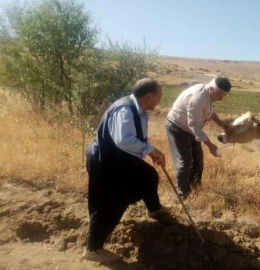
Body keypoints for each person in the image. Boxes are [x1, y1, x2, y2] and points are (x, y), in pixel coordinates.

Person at [83, 78, 169, 262]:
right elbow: (123, 140)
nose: (159, 101)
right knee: (110, 204)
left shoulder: (139, 110)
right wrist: (151, 150)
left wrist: (150, 151)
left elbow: (135, 139)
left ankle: (154, 210)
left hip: (119, 159)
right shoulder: (125, 110)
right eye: (159, 97)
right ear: (149, 96)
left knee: (148, 175)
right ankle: (93, 249)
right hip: (105, 161)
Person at [165, 77, 232, 200]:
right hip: (178, 128)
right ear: (211, 89)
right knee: (185, 162)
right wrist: (211, 145)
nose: (221, 98)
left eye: (224, 96)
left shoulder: (209, 95)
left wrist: (221, 124)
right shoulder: (197, 98)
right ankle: (182, 194)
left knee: (198, 160)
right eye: (220, 95)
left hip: (190, 128)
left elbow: (210, 112)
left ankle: (195, 188)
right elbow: (194, 126)